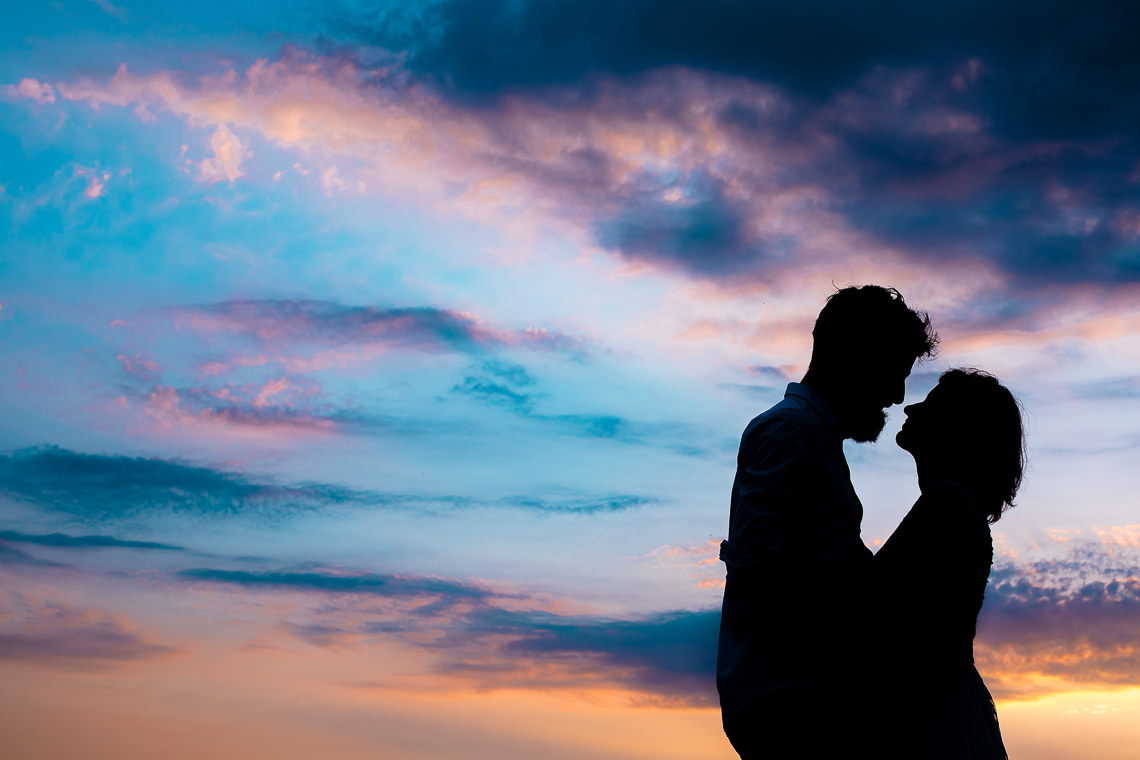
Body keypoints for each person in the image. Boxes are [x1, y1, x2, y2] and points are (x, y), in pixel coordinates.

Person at [717, 285, 939, 759]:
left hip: (797, 692)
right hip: (790, 697)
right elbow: (759, 566)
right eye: (891, 373)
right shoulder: (791, 430)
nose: (897, 396)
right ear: (852, 357)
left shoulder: (810, 436)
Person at [873, 368, 1025, 759]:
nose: (910, 407)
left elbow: (868, 600)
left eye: (931, 403)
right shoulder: (955, 507)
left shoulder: (947, 505)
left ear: (957, 429)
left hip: (929, 719)